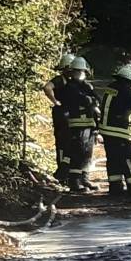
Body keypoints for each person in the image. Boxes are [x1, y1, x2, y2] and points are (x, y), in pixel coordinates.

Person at [53, 57, 101, 193]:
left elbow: (96, 99)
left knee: (87, 153)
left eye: (81, 71)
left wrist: (92, 101)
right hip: (76, 125)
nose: (80, 73)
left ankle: (84, 178)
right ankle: (74, 181)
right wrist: (90, 101)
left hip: (89, 124)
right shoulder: (69, 87)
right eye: (77, 71)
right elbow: (84, 100)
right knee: (77, 152)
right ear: (72, 71)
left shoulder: (86, 86)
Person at [99, 64, 131, 195]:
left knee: (113, 159)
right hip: (119, 130)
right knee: (128, 159)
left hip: (106, 129)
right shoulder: (125, 91)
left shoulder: (111, 87)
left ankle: (115, 187)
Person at [43, 53, 76, 181]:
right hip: (62, 116)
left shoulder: (71, 81)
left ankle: (66, 171)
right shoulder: (59, 80)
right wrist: (55, 101)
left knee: (68, 143)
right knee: (63, 143)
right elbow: (47, 87)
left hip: (66, 114)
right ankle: (62, 173)